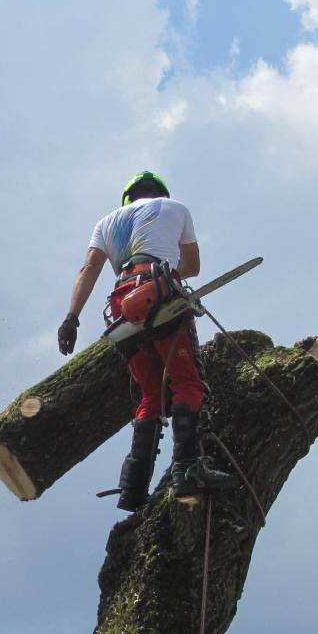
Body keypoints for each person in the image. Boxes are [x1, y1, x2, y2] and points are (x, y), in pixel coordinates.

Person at [57, 170, 235, 510]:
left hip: (121, 304)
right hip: (157, 292)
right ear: (160, 193)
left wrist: (71, 319)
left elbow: (88, 270)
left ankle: (133, 489)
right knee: (188, 384)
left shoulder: (105, 222)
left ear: (128, 197)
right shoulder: (175, 207)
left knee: (151, 394)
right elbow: (192, 266)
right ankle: (188, 469)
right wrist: (165, 282)